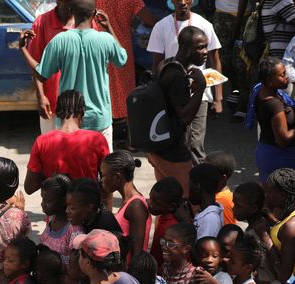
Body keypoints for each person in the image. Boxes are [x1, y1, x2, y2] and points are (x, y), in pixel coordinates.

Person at [21, 0, 127, 152]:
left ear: (72, 12)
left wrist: (23, 49)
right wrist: (109, 27)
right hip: (100, 119)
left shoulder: (59, 41)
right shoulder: (105, 39)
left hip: (69, 120)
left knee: (69, 169)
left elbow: (41, 73)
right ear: (94, 13)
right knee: (103, 168)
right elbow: (122, 60)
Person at [148, 0, 224, 163]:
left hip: (200, 96)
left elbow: (215, 60)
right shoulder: (161, 27)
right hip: (173, 94)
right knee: (178, 143)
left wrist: (218, 98)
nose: (182, 2)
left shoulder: (204, 25)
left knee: (195, 145)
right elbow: (157, 64)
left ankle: (198, 182)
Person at [147, 26, 208, 189]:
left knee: (166, 200)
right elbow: (185, 116)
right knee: (186, 198)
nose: (205, 51)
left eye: (206, 46)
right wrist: (201, 87)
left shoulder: (166, 64)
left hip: (159, 147)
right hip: (173, 153)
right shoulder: (177, 75)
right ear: (186, 48)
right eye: (200, 47)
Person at [24, 90, 109, 195]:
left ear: (58, 113)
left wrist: (49, 175)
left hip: (55, 209)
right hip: (88, 208)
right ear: (82, 113)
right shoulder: (97, 139)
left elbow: (29, 187)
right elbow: (107, 185)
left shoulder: (42, 141)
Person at [96, 0, 157, 138]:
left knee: (101, 91)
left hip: (97, 47)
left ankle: (102, 138)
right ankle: (131, 140)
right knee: (126, 93)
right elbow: (149, 19)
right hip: (120, 48)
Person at [24, 0, 75, 134]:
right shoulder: (42, 22)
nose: (69, 5)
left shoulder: (85, 20)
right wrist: (41, 96)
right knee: (52, 149)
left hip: (80, 104)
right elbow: (36, 62)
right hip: (52, 101)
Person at [250, 57, 295, 182]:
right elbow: (283, 139)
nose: (286, 77)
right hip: (279, 158)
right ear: (269, 81)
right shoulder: (275, 105)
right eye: (282, 75)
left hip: (265, 152)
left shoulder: (260, 92)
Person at [101, 150, 151, 257]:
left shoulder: (136, 206)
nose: (101, 180)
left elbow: (137, 253)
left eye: (103, 175)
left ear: (117, 177)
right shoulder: (128, 202)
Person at [39, 174, 84, 268]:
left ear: (64, 201)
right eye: (42, 198)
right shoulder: (52, 218)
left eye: (47, 201)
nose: (42, 204)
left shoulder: (74, 229)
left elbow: (76, 267)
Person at [147, 176, 193, 268]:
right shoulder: (165, 217)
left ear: (171, 206)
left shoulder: (170, 228)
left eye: (156, 202)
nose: (150, 204)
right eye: (150, 198)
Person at [190, 163, 224, 238]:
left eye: (190, 186)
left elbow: (203, 248)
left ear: (197, 187)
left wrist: (184, 220)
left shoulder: (210, 219)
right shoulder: (208, 212)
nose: (188, 191)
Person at [204, 151, 237, 225]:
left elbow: (227, 231)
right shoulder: (216, 195)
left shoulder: (222, 203)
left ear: (223, 178)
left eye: (207, 172)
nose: (202, 173)